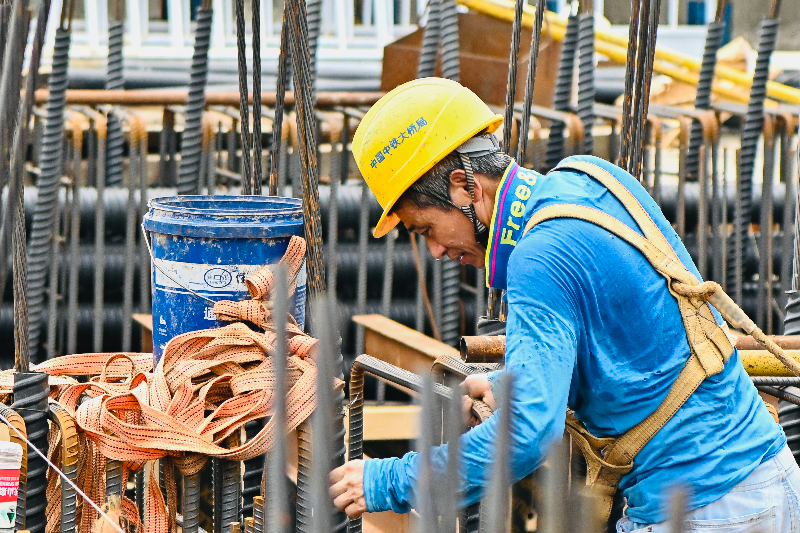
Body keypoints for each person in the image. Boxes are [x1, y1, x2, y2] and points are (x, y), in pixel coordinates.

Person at [328, 77, 800, 532]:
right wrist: (518, 377)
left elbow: (527, 434)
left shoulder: (537, 260)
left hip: (703, 510)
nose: (435, 252)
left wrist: (389, 481)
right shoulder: (593, 178)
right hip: (769, 478)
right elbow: (640, 341)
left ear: (461, 186)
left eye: (426, 229)